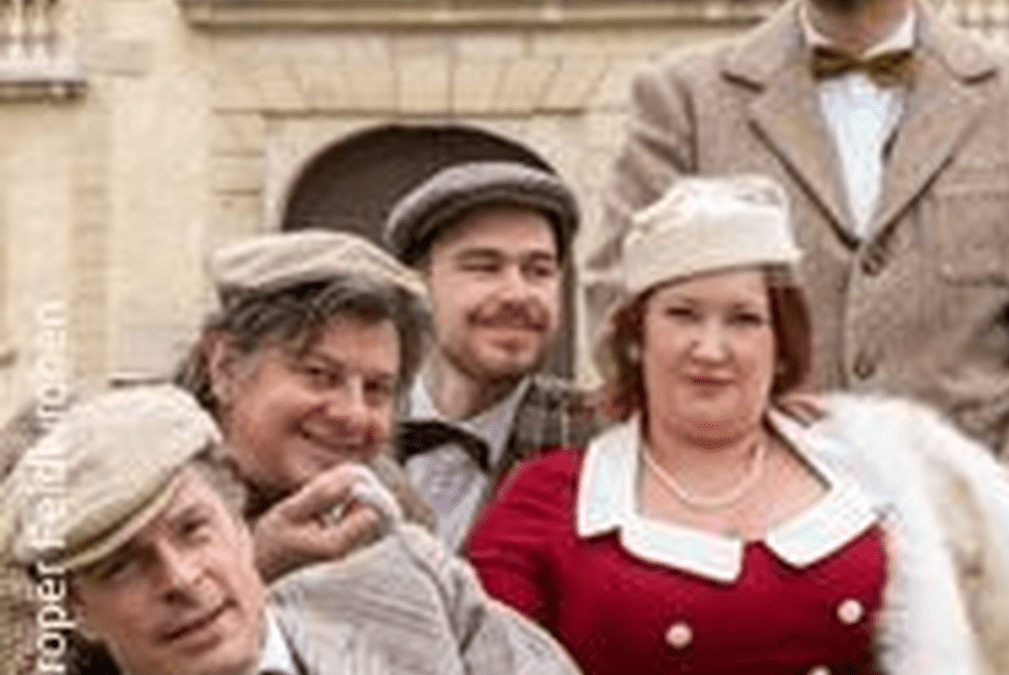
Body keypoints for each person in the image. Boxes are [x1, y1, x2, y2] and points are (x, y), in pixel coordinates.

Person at [588, 0, 1009, 670]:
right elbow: (621, 300)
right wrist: (737, 465)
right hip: (765, 495)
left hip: (987, 484)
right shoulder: (684, 97)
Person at [469, 175, 1009, 675]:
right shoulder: (549, 499)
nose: (712, 348)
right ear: (636, 336)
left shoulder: (883, 463)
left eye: (744, 319)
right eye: (682, 314)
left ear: (780, 343)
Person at [0, 385, 582, 675]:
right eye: (121, 566)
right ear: (75, 610)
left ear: (238, 519)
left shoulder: (409, 585)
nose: (179, 578)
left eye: (193, 529)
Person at [174, 229, 434, 581]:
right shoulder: (144, 492)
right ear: (226, 368)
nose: (354, 414)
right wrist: (255, 566)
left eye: (376, 389)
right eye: (320, 375)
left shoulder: (390, 507)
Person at [382, 161, 604, 551]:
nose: (517, 294)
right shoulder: (345, 426)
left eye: (539, 271)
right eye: (485, 267)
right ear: (417, 286)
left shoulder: (602, 443)